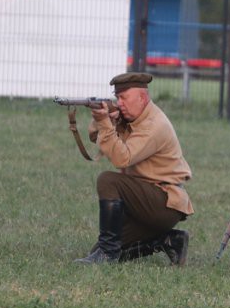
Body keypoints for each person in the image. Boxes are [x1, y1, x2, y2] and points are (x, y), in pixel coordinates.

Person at [74, 72, 193, 265]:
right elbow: (95, 137)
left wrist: (106, 123)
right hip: (144, 200)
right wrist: (106, 120)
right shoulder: (131, 119)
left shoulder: (153, 125)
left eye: (124, 98)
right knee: (99, 249)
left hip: (163, 202)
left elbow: (122, 159)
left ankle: (107, 254)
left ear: (142, 98)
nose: (119, 103)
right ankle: (169, 241)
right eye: (117, 97)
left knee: (107, 180)